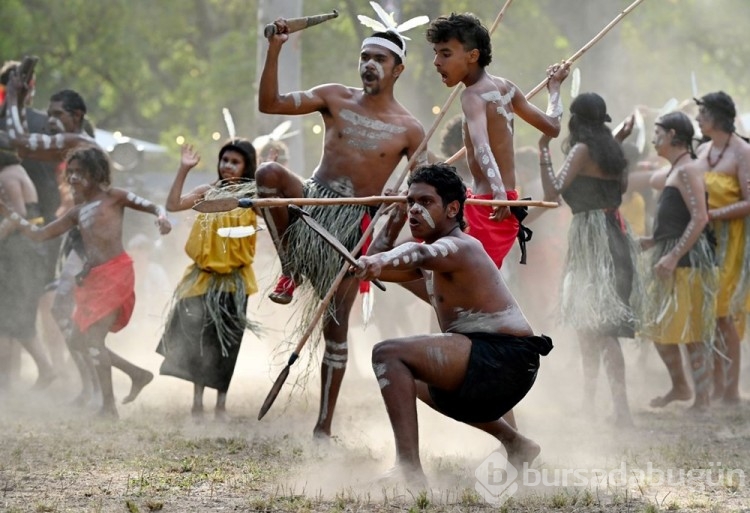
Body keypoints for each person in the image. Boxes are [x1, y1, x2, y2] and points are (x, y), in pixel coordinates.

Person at [256, 16, 426, 438]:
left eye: (380, 59)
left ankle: (323, 428)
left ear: (398, 69)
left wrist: (382, 242)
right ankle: (290, 268)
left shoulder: (410, 129)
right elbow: (270, 104)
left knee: (336, 330)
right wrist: (276, 48)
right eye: (365, 57)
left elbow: (416, 194)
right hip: (313, 205)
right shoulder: (334, 97)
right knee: (269, 174)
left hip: (355, 234)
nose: (369, 64)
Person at [354, 163, 552, 486]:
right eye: (410, 202)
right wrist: (393, 219)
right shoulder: (431, 259)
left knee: (387, 354)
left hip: (506, 360)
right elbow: (382, 260)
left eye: (425, 202)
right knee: (404, 377)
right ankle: (517, 443)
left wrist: (378, 261)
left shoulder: (460, 247)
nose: (415, 209)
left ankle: (408, 469)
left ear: (452, 209)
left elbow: (412, 256)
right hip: (483, 363)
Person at [0, 145, 171, 417]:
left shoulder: (114, 197)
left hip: (116, 273)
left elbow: (154, 206)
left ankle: (109, 406)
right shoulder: (77, 212)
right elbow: (40, 234)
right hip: (93, 278)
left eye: (80, 172)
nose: (73, 178)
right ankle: (135, 374)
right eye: (70, 172)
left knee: (91, 337)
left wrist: (162, 218)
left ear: (97, 173)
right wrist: (12, 216)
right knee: (81, 340)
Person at [426, 12, 569, 268]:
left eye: (445, 54)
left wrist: (498, 193)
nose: (436, 62)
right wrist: (555, 89)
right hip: (503, 202)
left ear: (473, 56)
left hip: (489, 206)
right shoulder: (506, 87)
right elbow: (553, 126)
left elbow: (482, 146)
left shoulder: (472, 96)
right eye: (436, 53)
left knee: (458, 282)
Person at [538, 92, 639, 426]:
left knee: (598, 325)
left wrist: (542, 151)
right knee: (597, 324)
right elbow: (620, 191)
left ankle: (608, 407)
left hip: (594, 241)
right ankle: (603, 405)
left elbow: (553, 190)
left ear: (577, 122)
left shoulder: (582, 150)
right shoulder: (615, 153)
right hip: (614, 236)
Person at [156, 139, 260, 420]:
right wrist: (184, 169)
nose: (227, 166)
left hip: (234, 283)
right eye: (224, 160)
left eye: (235, 162)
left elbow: (283, 207)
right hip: (202, 280)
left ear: (246, 167)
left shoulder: (254, 198)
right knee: (200, 342)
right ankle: (197, 403)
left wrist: (274, 173)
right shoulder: (206, 193)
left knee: (227, 344)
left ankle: (221, 406)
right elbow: (173, 204)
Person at [638, 111, 718, 412]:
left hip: (687, 262)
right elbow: (679, 218)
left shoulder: (687, 170)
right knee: (658, 328)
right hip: (670, 256)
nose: (655, 138)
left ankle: (702, 398)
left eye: (658, 132)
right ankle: (680, 386)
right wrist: (655, 241)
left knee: (691, 332)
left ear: (672, 135)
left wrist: (673, 255)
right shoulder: (676, 170)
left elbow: (700, 217)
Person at [692, 91, 750, 404]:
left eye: (703, 113)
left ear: (718, 117)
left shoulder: (742, 152)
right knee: (708, 313)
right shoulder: (702, 151)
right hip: (703, 241)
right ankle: (715, 384)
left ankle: (731, 389)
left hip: (733, 241)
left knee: (724, 314)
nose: (699, 119)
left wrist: (713, 214)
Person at [0, 152, 56, 390]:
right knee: (14, 320)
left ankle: (8, 381)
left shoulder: (8, 177)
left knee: (11, 320)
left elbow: (19, 214)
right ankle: (42, 370)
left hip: (22, 253)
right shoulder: (16, 172)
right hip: (26, 252)